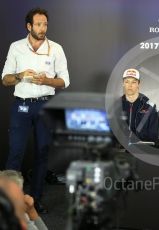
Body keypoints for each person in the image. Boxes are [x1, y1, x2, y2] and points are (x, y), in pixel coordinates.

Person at [1, 7, 70, 213]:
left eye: (45, 24)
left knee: (42, 152)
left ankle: (36, 199)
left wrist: (46, 80)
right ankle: (9, 201)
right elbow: (5, 79)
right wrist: (21, 75)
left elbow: (65, 80)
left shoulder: (56, 48)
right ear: (29, 26)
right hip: (21, 105)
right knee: (15, 153)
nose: (43, 28)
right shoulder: (16, 47)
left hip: (45, 104)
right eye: (38, 24)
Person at [110, 68, 159, 144]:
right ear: (123, 83)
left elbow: (153, 137)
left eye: (133, 82)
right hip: (120, 151)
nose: (130, 85)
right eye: (127, 82)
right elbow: (111, 133)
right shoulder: (115, 106)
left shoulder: (149, 106)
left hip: (142, 152)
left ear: (138, 84)